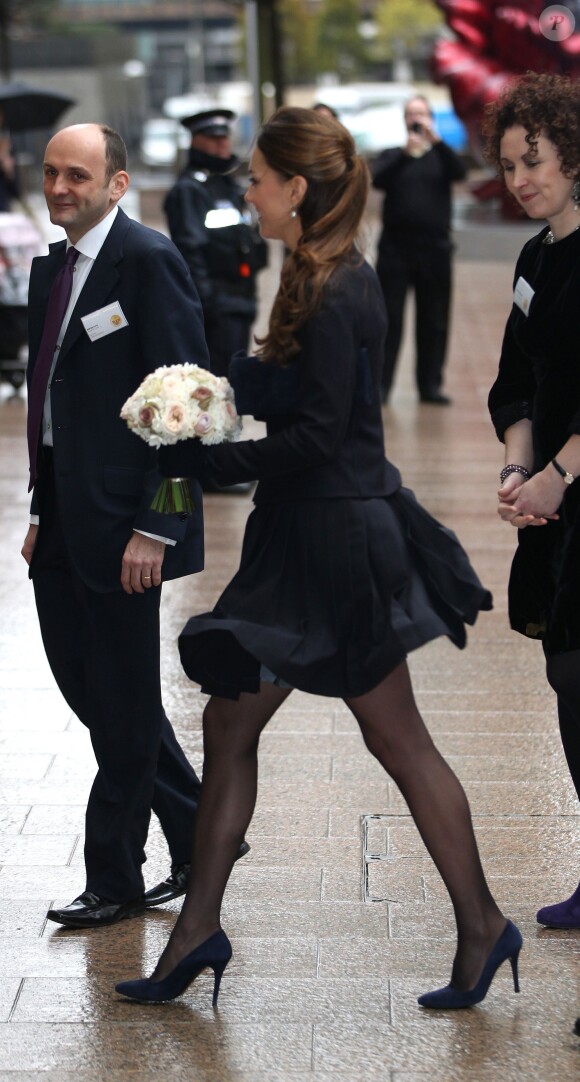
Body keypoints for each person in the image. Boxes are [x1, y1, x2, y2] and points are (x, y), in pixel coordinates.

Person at [115, 106, 521, 1010]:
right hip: (309, 535)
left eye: (258, 178)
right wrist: (208, 387)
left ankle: (484, 924)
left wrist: (208, 457)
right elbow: (294, 390)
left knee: (396, 738)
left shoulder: (342, 287)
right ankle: (199, 929)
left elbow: (318, 434)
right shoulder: (315, 272)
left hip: (337, 543)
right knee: (233, 722)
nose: (247, 190)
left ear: (295, 189)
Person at [21, 122, 235, 930]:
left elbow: (190, 405)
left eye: (77, 174)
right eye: (50, 173)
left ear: (116, 184)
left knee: (119, 700)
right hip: (64, 521)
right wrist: (42, 511)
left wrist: (160, 526)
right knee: (97, 692)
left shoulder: (148, 261)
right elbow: (51, 410)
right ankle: (196, 828)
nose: (59, 187)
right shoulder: (55, 269)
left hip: (126, 529)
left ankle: (115, 876)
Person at [484, 72, 580, 932]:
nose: (522, 179)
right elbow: (515, 381)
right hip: (554, 504)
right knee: (567, 678)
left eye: (536, 159)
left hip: (577, 487)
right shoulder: (534, 256)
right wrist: (520, 469)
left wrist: (562, 470)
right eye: (511, 164)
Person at [372, 94, 466, 405]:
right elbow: (378, 179)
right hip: (396, 251)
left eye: (422, 113)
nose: (417, 118)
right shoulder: (393, 155)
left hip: (435, 250)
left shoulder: (441, 154)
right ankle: (381, 386)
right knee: (389, 321)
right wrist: (404, 152)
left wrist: (435, 140)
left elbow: (460, 172)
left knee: (434, 320)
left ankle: (430, 386)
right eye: (411, 113)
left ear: (431, 117)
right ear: (404, 118)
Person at [163, 108, 267, 381]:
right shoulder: (191, 189)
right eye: (213, 137)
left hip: (240, 300)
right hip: (218, 309)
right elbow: (190, 251)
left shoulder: (229, 185)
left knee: (234, 383)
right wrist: (208, 304)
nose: (222, 143)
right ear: (195, 140)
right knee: (218, 387)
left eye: (225, 137)